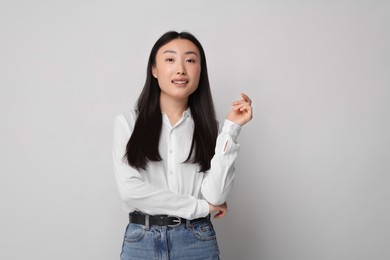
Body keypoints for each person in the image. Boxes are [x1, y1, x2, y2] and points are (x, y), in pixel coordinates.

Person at [112, 31, 253, 260]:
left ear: (200, 70)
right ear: (154, 70)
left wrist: (230, 129)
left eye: (190, 60)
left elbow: (215, 195)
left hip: (196, 241)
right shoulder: (128, 124)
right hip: (142, 243)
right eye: (170, 59)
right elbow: (130, 191)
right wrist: (200, 207)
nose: (181, 69)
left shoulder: (211, 130)